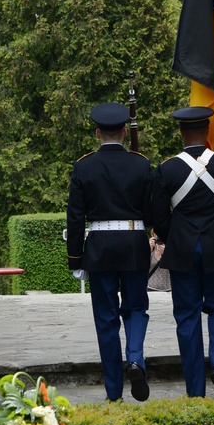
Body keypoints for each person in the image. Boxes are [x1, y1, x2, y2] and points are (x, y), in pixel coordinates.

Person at [66, 102, 154, 403]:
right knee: (136, 307)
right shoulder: (142, 164)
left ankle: (114, 392)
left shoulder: (84, 165)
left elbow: (75, 217)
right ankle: (135, 359)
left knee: (105, 319)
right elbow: (152, 210)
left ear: (97, 132)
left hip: (100, 248)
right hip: (133, 244)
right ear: (125, 134)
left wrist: (75, 258)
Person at [151, 106, 214, 399]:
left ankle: (194, 389)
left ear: (181, 133)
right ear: (208, 132)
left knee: (187, 317)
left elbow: (160, 216)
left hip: (184, 249)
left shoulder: (167, 168)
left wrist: (170, 237)